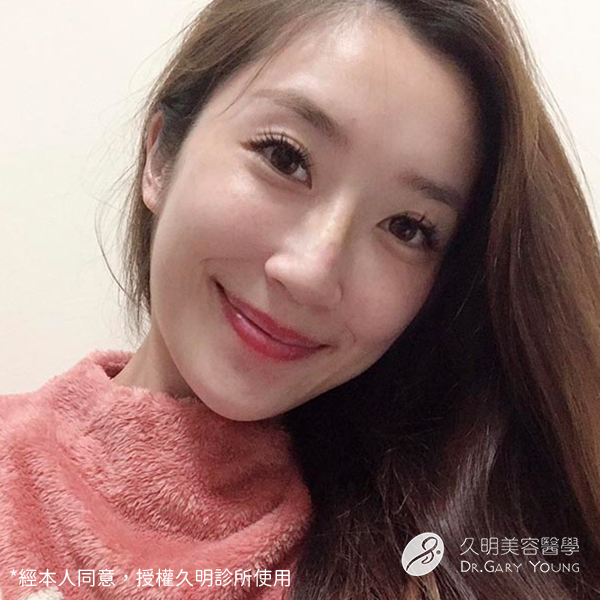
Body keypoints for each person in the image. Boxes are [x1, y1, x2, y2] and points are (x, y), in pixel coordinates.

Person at [2, 0, 600, 598]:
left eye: (407, 227)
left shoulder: (438, 560)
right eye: (285, 158)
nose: (312, 272)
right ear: (161, 156)